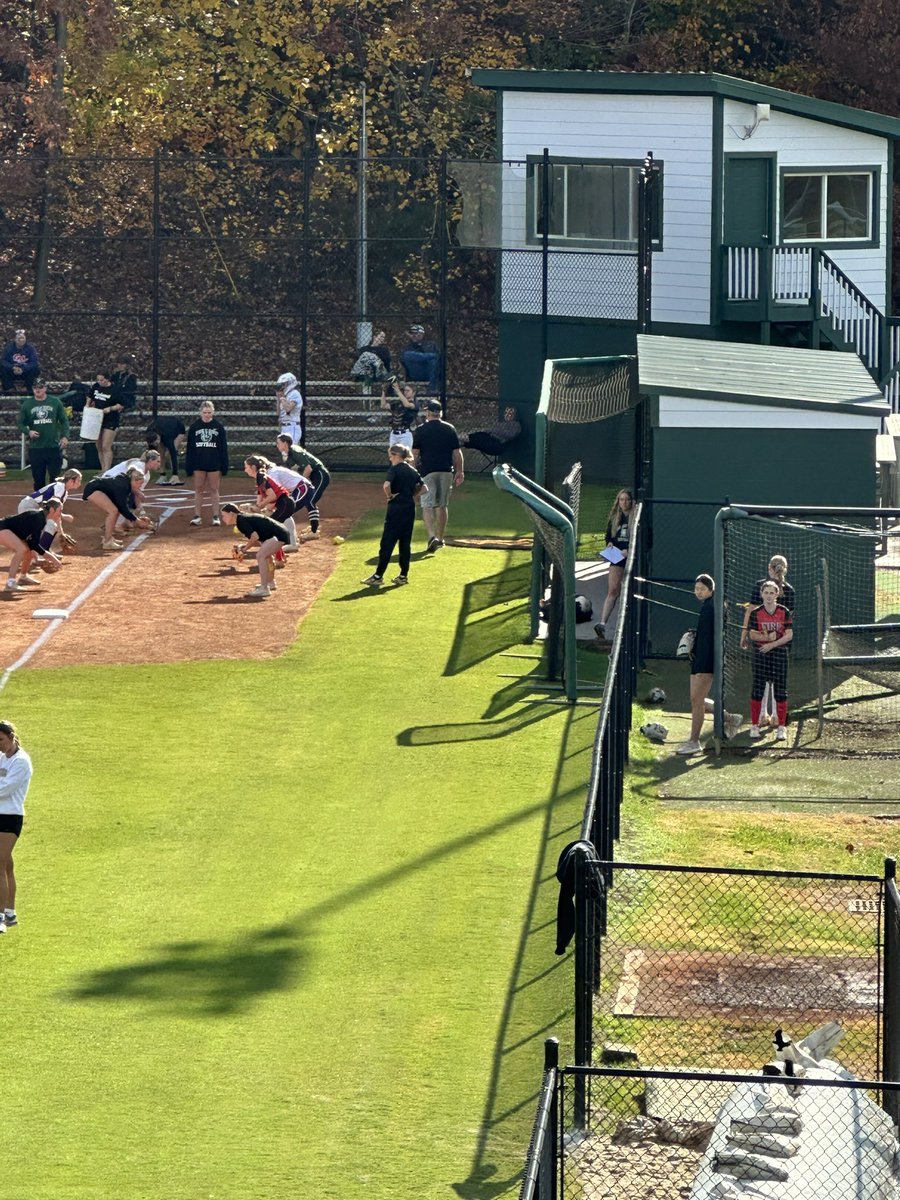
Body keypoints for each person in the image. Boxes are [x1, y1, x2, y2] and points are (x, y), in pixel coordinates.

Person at [676, 574, 743, 756]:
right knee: (696, 700)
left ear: (711, 590)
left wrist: (702, 657)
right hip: (699, 658)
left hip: (707, 660)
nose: (698, 592)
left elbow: (713, 638)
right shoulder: (707, 606)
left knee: (697, 701)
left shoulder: (713, 606)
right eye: (696, 589)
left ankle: (694, 741)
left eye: (702, 589)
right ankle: (731, 718)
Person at [741, 555, 795, 727]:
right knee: (771, 679)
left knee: (766, 678)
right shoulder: (763, 587)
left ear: (769, 568)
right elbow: (753, 613)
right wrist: (754, 635)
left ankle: (768, 716)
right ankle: (768, 716)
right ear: (785, 569)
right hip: (771, 641)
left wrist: (744, 636)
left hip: (775, 642)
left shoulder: (784, 590)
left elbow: (749, 612)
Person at [362, 445, 427, 587]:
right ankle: (403, 576)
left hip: (396, 509)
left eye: (391, 455)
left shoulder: (394, 469)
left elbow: (386, 486)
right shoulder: (412, 470)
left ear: (397, 455)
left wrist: (390, 496)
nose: (389, 458)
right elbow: (424, 488)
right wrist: (410, 495)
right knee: (405, 543)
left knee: (387, 542)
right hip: (409, 509)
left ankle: (378, 576)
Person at [411, 399, 464, 552]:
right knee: (442, 505)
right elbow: (457, 453)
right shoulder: (450, 428)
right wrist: (460, 471)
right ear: (439, 413)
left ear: (428, 413)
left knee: (427, 505)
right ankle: (440, 538)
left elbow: (415, 453)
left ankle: (431, 536)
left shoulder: (421, 430)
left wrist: (413, 472)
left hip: (427, 471)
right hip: (446, 471)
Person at [0, 720, 34, 935]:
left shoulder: (22, 761)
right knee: (6, 866)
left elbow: (7, 788)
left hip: (10, 817)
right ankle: (10, 912)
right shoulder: (2, 758)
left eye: (1, 740)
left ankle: (0, 915)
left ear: (12, 737)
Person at [220, 503, 291, 599]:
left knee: (261, 556)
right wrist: (243, 547)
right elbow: (257, 539)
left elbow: (255, 537)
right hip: (280, 533)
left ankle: (264, 589)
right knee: (267, 557)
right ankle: (270, 583)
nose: (223, 518)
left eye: (224, 515)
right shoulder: (243, 519)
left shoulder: (241, 521)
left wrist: (244, 549)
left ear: (232, 513)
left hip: (278, 535)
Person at [17, 379, 70, 489]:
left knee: (55, 477)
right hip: (36, 447)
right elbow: (20, 423)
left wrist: (65, 436)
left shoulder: (55, 402)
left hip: (54, 445)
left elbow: (64, 421)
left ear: (45, 388)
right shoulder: (27, 404)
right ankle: (40, 501)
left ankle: (54, 501)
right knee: (38, 478)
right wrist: (28, 431)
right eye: (35, 387)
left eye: (40, 387)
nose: (38, 390)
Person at [243, 454, 307, 547]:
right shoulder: (259, 478)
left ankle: (291, 544)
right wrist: (254, 508)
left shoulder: (261, 477)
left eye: (246, 467)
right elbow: (260, 498)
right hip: (285, 504)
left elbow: (273, 496)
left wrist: (260, 506)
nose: (245, 470)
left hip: (285, 503)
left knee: (271, 526)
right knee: (277, 522)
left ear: (253, 467)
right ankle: (290, 543)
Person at [0, 500, 65, 591]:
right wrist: (52, 557)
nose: (60, 513)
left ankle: (23, 577)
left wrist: (38, 558)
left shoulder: (41, 518)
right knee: (21, 549)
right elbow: (34, 544)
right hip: (2, 528)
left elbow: (32, 544)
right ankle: (10, 584)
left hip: (9, 530)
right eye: (60, 510)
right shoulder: (38, 518)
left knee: (29, 551)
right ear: (51, 510)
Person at [82, 467, 150, 550]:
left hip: (96, 488)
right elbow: (123, 507)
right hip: (93, 489)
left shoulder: (126, 483)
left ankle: (109, 538)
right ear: (134, 480)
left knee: (115, 511)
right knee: (113, 511)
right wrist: (137, 520)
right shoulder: (123, 486)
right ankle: (107, 542)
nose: (140, 486)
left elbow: (125, 505)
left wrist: (136, 518)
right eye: (140, 483)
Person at [275, 435, 330, 537]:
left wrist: (301, 483)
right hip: (313, 477)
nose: (277, 445)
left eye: (278, 443)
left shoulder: (295, 451)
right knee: (309, 500)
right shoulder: (289, 456)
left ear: (285, 443)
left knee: (310, 500)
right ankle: (314, 528)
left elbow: (308, 469)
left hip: (320, 475)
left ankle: (314, 531)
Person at [185, 401, 229, 527]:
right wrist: (189, 465)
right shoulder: (194, 427)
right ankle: (197, 516)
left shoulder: (218, 427)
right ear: (200, 413)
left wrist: (224, 465)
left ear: (213, 412)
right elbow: (190, 448)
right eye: (204, 412)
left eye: (209, 412)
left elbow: (223, 448)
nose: (207, 415)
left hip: (214, 462)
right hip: (199, 462)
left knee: (214, 489)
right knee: (198, 489)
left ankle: (215, 516)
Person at [597, 489, 634, 635]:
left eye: (627, 500)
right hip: (617, 557)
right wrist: (610, 545)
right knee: (613, 590)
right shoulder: (615, 518)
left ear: (632, 502)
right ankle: (602, 623)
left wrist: (630, 551)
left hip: (632, 557)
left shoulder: (636, 518)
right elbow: (609, 537)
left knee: (629, 592)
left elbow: (645, 540)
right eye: (621, 500)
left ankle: (627, 627)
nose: (624, 503)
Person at [86, 369, 133, 471]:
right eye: (98, 380)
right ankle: (103, 469)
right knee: (98, 447)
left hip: (110, 419)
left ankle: (107, 470)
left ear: (107, 379)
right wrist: (87, 405)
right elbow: (90, 396)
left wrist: (110, 409)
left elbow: (123, 404)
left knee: (105, 446)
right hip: (97, 418)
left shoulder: (115, 390)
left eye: (102, 380)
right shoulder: (96, 387)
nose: (100, 382)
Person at [146, 414, 187, 484]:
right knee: (160, 453)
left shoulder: (167, 436)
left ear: (158, 437)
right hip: (164, 428)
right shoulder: (149, 432)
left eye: (157, 442)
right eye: (154, 444)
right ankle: (162, 475)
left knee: (170, 453)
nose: (156, 444)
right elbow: (151, 452)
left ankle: (175, 475)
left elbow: (173, 452)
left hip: (178, 429)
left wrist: (175, 474)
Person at [380, 378, 419, 450]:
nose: (405, 392)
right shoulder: (398, 403)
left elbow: (407, 405)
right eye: (405, 391)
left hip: (405, 434)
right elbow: (383, 405)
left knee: (405, 455)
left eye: (408, 391)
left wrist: (397, 390)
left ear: (413, 393)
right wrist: (383, 392)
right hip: (394, 433)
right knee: (393, 456)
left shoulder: (414, 404)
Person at [401, 324, 441, 393]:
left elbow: (438, 357)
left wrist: (422, 357)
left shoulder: (431, 345)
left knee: (433, 361)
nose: (413, 335)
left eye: (416, 333)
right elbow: (404, 358)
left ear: (422, 334)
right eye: (412, 334)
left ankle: (432, 389)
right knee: (407, 354)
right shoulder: (408, 347)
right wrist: (427, 356)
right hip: (415, 372)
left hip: (428, 371)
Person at [0, 329, 40, 393]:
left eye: (23, 338)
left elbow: (34, 362)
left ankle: (26, 388)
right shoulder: (9, 347)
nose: (21, 340)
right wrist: (13, 367)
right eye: (19, 338)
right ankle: (9, 389)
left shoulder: (30, 348)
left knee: (36, 369)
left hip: (25, 372)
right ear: (15, 339)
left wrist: (23, 369)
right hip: (12, 371)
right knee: (2, 368)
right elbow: (3, 361)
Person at [276, 372, 303, 444]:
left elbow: (288, 408)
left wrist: (282, 398)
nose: (283, 386)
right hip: (284, 427)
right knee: (284, 452)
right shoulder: (285, 395)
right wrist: (279, 400)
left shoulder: (294, 394)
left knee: (291, 450)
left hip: (292, 426)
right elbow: (278, 413)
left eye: (285, 384)